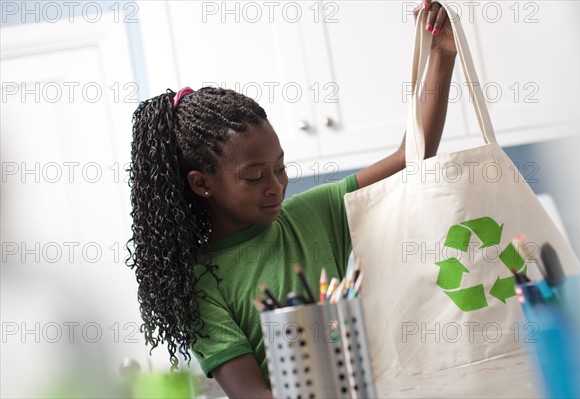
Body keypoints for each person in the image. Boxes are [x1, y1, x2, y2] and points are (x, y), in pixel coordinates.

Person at [126, 2, 456, 397]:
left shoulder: (316, 213)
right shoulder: (198, 284)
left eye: (279, 168)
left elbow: (411, 156)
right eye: (254, 176)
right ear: (201, 184)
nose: (275, 186)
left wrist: (443, 54)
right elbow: (252, 394)